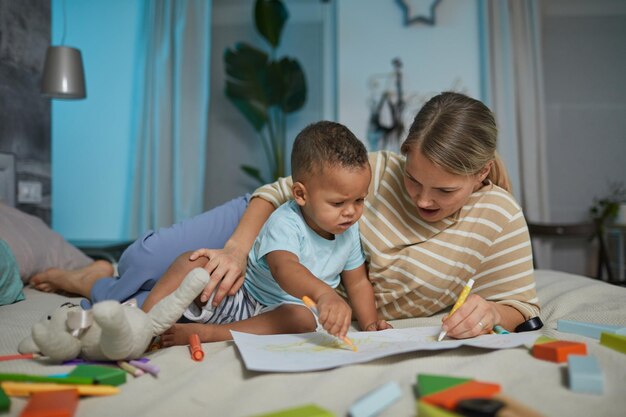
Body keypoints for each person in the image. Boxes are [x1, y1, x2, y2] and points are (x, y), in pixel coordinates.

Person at [32, 91, 539, 342]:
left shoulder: (498, 217)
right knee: (144, 257)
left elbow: (520, 302)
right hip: (270, 221)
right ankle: (94, 276)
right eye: (413, 179)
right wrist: (235, 248)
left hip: (305, 269)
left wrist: (493, 313)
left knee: (154, 299)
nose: (422, 199)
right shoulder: (377, 170)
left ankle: (104, 287)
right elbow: (279, 192)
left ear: (479, 177)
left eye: (443, 191)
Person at [140, 121, 391, 345]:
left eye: (360, 200)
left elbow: (357, 282)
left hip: (279, 316)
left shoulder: (348, 230)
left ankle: (212, 334)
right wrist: (324, 294)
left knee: (303, 318)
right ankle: (143, 326)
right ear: (301, 195)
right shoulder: (286, 221)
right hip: (240, 296)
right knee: (193, 262)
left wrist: (370, 325)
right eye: (338, 204)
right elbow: (285, 269)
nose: (351, 212)